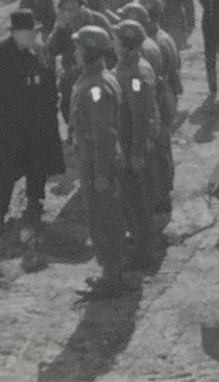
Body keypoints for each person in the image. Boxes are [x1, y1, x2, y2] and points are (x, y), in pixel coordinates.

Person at [0, 9, 64, 225]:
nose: (33, 37)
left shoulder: (40, 50)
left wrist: (49, 109)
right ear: (15, 33)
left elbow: (49, 81)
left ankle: (35, 200)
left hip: (36, 122)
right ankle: (0, 209)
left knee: (37, 163)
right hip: (9, 125)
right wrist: (0, 115)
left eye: (34, 32)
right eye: (29, 33)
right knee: (6, 168)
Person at [69, 25, 126, 299]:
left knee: (102, 217)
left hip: (97, 159)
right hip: (95, 156)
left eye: (80, 49)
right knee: (103, 215)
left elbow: (104, 134)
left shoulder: (97, 88)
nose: (76, 53)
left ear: (90, 52)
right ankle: (111, 269)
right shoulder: (98, 77)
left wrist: (101, 172)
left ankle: (112, 275)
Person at [116, 2, 176, 218]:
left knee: (157, 155)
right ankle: (162, 195)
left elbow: (141, 92)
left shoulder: (144, 53)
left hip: (154, 105)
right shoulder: (154, 41)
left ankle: (159, 200)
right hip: (161, 101)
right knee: (162, 152)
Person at [113, 19, 161, 266]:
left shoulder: (137, 73)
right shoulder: (127, 66)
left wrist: (137, 152)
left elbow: (141, 116)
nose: (113, 44)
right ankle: (140, 241)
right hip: (129, 141)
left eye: (116, 40)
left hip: (134, 144)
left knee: (137, 199)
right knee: (132, 197)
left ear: (127, 44)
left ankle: (143, 251)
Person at [46, 0, 115, 125]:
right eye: (66, 6)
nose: (70, 10)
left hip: (96, 73)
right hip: (72, 75)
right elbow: (51, 51)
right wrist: (59, 29)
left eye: (73, 4)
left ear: (81, 2)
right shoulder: (61, 24)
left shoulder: (97, 20)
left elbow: (112, 49)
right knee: (69, 109)